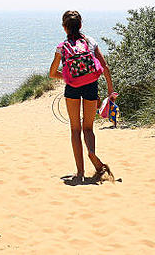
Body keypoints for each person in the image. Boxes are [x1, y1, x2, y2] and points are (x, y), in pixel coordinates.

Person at [48, 10, 114, 183]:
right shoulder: (90, 42)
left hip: (72, 90)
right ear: (81, 25)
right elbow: (105, 67)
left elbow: (52, 73)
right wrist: (110, 91)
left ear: (64, 27)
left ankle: (80, 172)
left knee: (75, 130)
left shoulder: (62, 47)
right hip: (91, 87)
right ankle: (91, 152)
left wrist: (68, 77)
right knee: (88, 128)